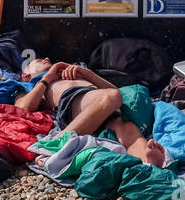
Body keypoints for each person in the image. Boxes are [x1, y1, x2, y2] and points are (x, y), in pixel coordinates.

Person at [15, 59, 166, 167]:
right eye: (39, 60)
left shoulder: (70, 72)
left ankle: (147, 162)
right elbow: (22, 108)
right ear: (26, 75)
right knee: (111, 97)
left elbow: (117, 91)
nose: (47, 59)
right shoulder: (32, 85)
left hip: (100, 103)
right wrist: (46, 79)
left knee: (127, 127)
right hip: (73, 102)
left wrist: (88, 74)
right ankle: (55, 144)